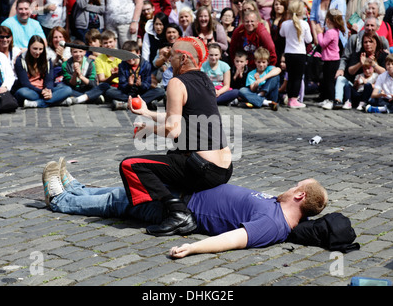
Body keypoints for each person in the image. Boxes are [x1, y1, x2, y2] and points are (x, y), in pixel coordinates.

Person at [41, 158, 328, 256]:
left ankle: (60, 201)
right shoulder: (276, 209)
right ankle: (76, 189)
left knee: (117, 202)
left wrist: (193, 248)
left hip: (180, 208)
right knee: (124, 191)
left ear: (300, 196)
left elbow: (233, 240)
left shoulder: (273, 225)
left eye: (294, 186)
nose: (289, 187)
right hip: (186, 194)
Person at [120, 37, 233, 237]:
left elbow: (174, 129)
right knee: (174, 152)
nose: (167, 60)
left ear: (183, 59)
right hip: (224, 169)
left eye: (171, 55)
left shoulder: (176, 82)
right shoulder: (205, 79)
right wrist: (147, 113)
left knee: (130, 165)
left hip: (202, 169)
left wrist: (148, 128)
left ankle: (178, 213)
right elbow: (181, 117)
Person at [332, 32, 388, 110]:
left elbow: (385, 72)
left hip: (373, 88)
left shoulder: (382, 55)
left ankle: (364, 102)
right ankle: (338, 101)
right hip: (357, 86)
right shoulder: (359, 54)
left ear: (376, 43)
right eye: (365, 42)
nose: (368, 44)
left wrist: (373, 64)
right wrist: (361, 63)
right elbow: (350, 71)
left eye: (371, 42)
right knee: (340, 79)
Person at [14, 35, 72, 108]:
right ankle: (56, 100)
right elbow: (25, 83)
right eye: (35, 49)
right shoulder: (21, 60)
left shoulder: (47, 59)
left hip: (44, 90)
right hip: (31, 90)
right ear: (29, 48)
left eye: (40, 49)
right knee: (22, 92)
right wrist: (42, 92)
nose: (38, 52)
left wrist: (48, 90)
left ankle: (38, 103)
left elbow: (49, 80)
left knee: (67, 89)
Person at [110, 40, 165, 110]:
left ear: (138, 53)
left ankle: (128, 104)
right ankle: (143, 103)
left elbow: (147, 84)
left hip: (142, 93)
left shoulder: (146, 65)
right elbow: (121, 85)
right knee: (110, 91)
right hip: (128, 93)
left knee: (160, 91)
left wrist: (141, 84)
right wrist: (129, 84)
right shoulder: (122, 65)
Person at [279, 0, 312, 109]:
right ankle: (293, 99)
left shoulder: (285, 24)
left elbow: (281, 34)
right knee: (297, 77)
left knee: (291, 77)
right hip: (300, 54)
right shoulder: (304, 24)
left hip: (288, 53)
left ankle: (289, 98)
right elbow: (309, 40)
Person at [315, 9, 345, 107]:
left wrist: (319, 33)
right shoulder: (334, 31)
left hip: (331, 60)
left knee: (329, 81)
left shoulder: (330, 32)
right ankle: (327, 99)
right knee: (326, 80)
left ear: (328, 20)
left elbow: (323, 44)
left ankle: (331, 100)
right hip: (330, 59)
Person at [61, 40, 104, 104]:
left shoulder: (90, 63)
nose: (78, 54)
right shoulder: (65, 65)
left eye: (81, 51)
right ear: (71, 53)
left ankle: (79, 99)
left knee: (104, 86)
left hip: (86, 88)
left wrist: (81, 76)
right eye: (75, 52)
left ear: (84, 52)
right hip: (73, 89)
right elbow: (71, 84)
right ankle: (90, 98)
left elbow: (93, 84)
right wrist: (75, 73)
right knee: (64, 88)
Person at [94, 30, 121, 97]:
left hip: (122, 85)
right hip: (108, 85)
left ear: (115, 41)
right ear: (101, 44)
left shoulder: (122, 55)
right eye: (105, 43)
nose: (108, 45)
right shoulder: (99, 59)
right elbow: (102, 80)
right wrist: (112, 77)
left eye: (110, 42)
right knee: (105, 88)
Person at [269, 0, 288, 65]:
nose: (278, 6)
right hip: (272, 50)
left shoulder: (287, 21)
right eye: (276, 4)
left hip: (284, 49)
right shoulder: (269, 21)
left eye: (281, 4)